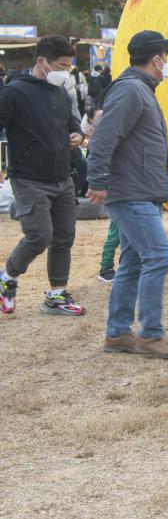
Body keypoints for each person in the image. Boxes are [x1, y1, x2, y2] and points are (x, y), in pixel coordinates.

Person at [87, 30, 168, 359]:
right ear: (156, 58)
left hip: (140, 189)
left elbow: (137, 146)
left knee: (131, 263)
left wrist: (164, 177)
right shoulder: (131, 90)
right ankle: (150, 334)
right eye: (166, 57)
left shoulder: (140, 89)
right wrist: (97, 179)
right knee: (158, 256)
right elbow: (104, 137)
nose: (167, 64)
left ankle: (117, 333)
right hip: (131, 195)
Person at [0, 35, 86, 317]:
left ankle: (57, 294)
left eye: (69, 67)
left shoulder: (61, 93)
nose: (66, 72)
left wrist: (78, 135)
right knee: (39, 235)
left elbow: (74, 124)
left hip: (63, 176)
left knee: (64, 237)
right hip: (28, 178)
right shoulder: (14, 92)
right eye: (61, 66)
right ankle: (7, 278)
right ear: (42, 62)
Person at [81, 104, 120, 283]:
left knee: (127, 231)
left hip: (128, 186)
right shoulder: (98, 142)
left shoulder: (115, 134)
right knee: (116, 230)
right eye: (98, 118)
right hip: (116, 190)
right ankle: (106, 268)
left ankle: (126, 263)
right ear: (91, 122)